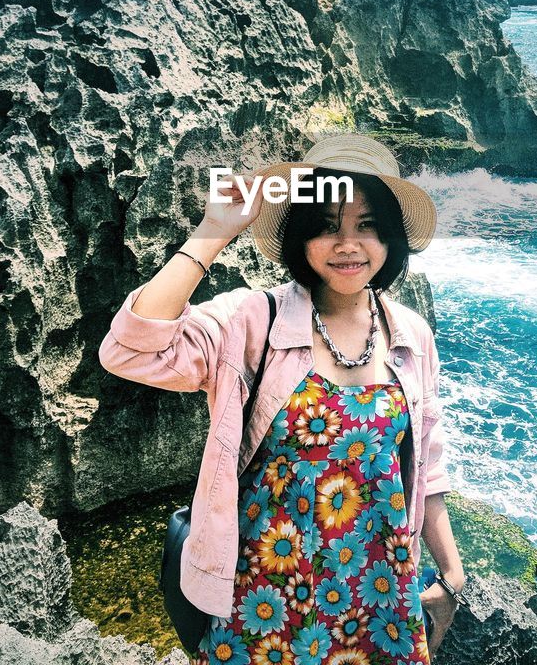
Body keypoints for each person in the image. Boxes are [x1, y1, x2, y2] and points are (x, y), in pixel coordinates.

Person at [99, 133, 467, 664]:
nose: (348, 245)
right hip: (263, 595)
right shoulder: (253, 320)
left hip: (378, 591)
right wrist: (214, 231)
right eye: (326, 227)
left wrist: (451, 576)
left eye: (367, 226)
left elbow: (425, 466)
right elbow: (129, 350)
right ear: (300, 235)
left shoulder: (410, 335)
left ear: (391, 240)